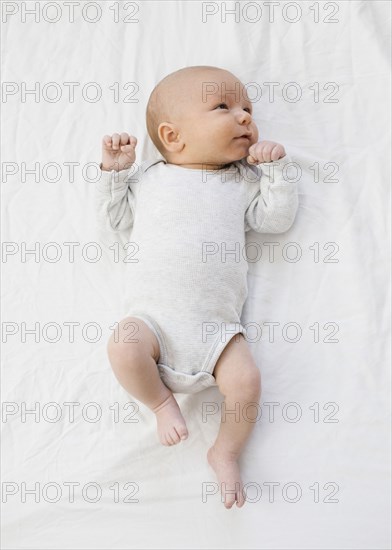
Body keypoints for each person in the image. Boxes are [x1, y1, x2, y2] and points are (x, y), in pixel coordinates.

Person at [95, 65, 299, 508]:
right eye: (223, 107)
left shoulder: (242, 183)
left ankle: (225, 452)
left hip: (217, 334)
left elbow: (276, 221)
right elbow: (114, 222)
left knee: (247, 381)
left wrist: (277, 173)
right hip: (153, 325)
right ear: (173, 136)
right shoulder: (148, 180)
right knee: (121, 345)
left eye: (248, 108)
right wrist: (114, 173)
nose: (244, 116)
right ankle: (160, 403)